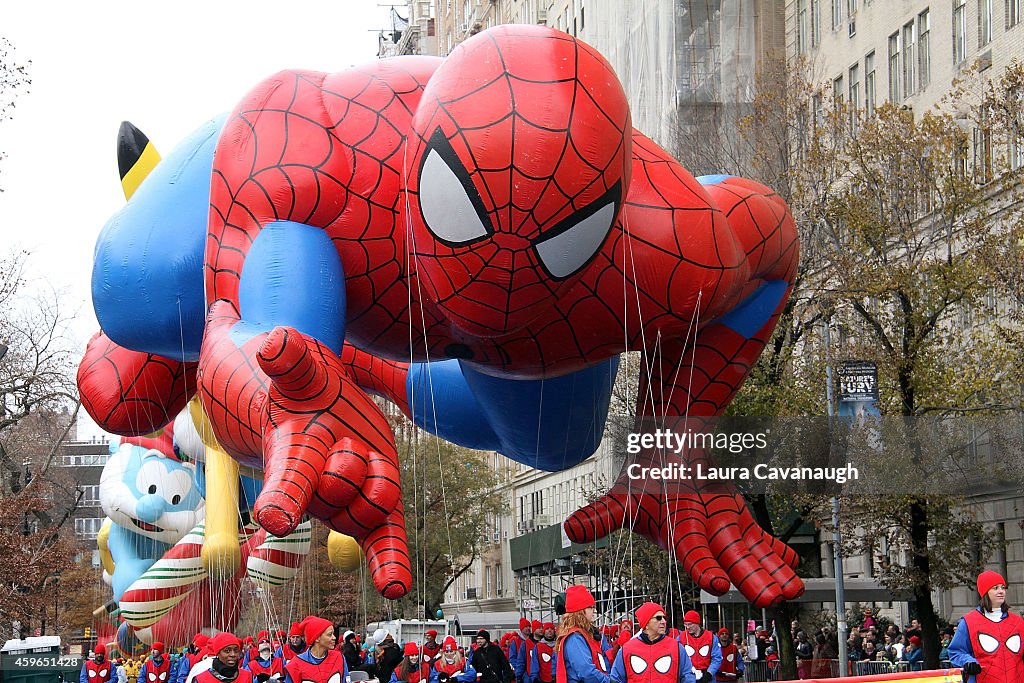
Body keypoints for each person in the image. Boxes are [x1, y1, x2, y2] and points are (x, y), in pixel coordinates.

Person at [948, 570, 1024, 683]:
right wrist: (968, 662)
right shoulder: (968, 622)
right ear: (985, 592)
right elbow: (956, 651)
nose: (1001, 591)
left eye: (1003, 587)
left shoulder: (1018, 621)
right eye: (995, 588)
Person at [609, 602, 694, 683]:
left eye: (664, 618)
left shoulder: (676, 647)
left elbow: (687, 676)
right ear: (646, 623)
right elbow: (616, 679)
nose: (663, 622)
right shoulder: (627, 649)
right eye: (658, 618)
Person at [554, 585, 609, 683]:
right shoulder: (575, 638)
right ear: (581, 611)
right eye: (591, 607)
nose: (594, 611)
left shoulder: (581, 635)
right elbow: (587, 672)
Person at [285, 617, 347, 683]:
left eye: (333, 634)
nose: (334, 638)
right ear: (317, 638)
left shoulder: (339, 658)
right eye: (329, 634)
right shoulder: (295, 665)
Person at [678, 612, 720, 683]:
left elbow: (717, 658)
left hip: (707, 677)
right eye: (686, 624)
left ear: (697, 623)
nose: (688, 627)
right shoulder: (681, 638)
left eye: (690, 624)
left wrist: (710, 673)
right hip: (688, 678)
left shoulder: (711, 638)